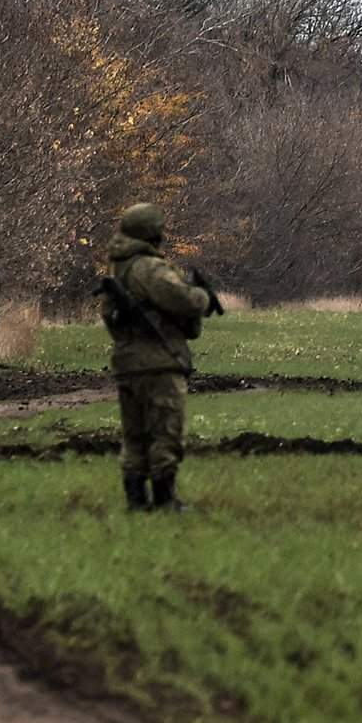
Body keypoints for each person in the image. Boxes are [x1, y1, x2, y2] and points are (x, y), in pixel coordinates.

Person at [102, 203, 211, 512]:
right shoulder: (149, 268)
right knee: (165, 431)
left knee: (134, 435)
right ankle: (165, 499)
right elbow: (184, 300)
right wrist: (202, 296)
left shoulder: (118, 269)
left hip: (127, 363)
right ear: (152, 233)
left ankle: (136, 499)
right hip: (158, 362)